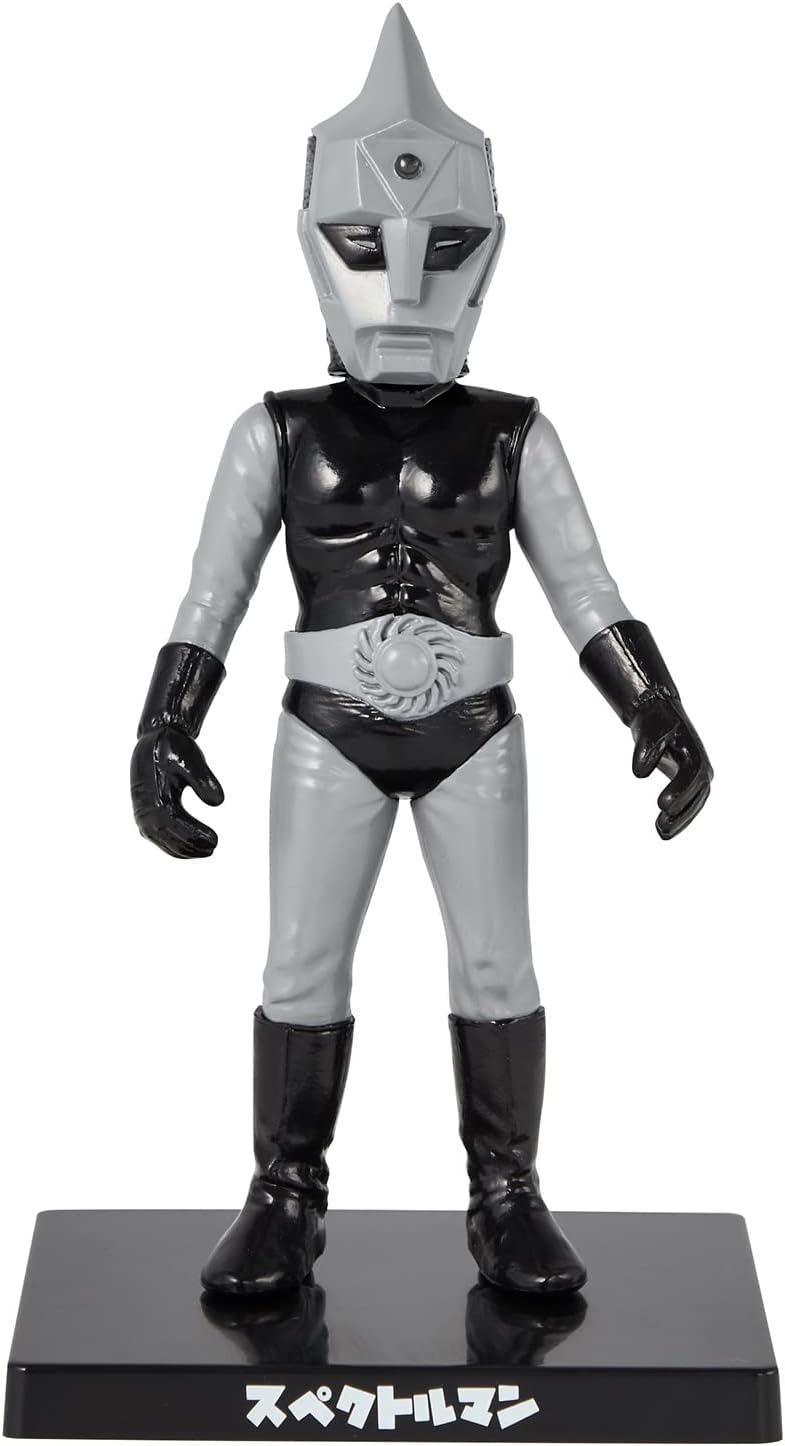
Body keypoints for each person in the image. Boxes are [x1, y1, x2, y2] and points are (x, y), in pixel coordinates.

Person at [131, 5, 711, 1297]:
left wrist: (653, 702)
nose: (401, 283)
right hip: (326, 730)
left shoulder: (516, 435)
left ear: (482, 250)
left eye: (441, 245)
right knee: (299, 964)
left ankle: (507, 1197)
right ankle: (284, 1195)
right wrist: (164, 721)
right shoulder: (274, 433)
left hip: (473, 736)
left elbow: (585, 587)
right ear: (319, 243)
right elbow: (212, 591)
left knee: (497, 963)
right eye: (369, 242)